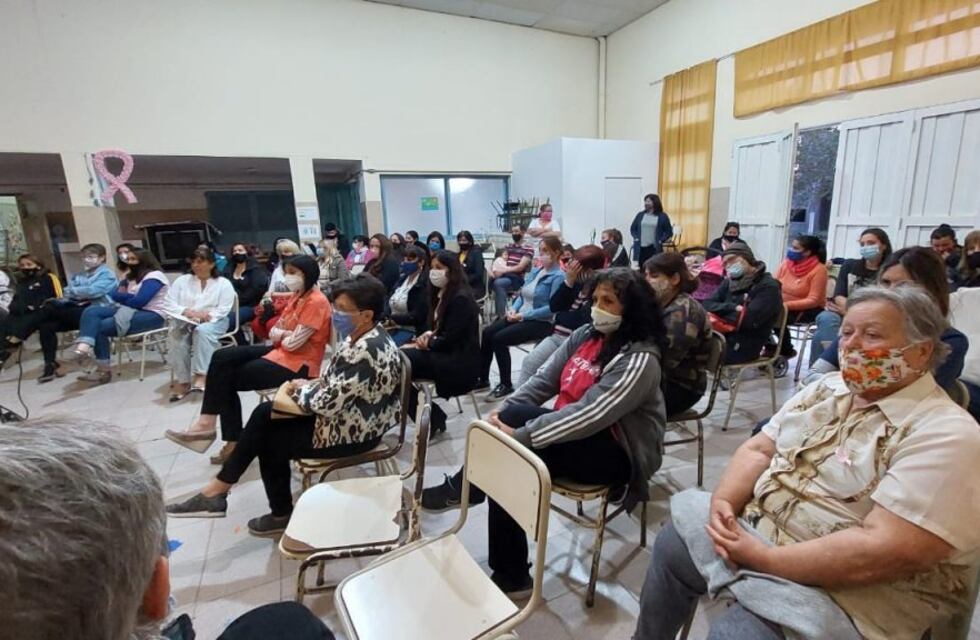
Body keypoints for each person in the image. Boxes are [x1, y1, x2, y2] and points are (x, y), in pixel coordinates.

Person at [633, 285, 980, 640]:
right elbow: (759, 450)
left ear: (921, 352)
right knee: (675, 541)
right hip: (760, 531)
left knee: (739, 634)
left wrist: (766, 561)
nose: (851, 345)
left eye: (871, 335)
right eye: (847, 332)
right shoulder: (827, 389)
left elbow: (887, 549)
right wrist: (725, 501)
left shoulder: (945, 433)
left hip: (845, 588)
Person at [422, 270, 666, 592]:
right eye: (595, 299)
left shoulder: (639, 358)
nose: (598, 308)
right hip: (577, 431)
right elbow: (543, 380)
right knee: (511, 430)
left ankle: (470, 493)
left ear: (632, 308)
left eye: (608, 301)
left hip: (618, 449)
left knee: (508, 455)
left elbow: (589, 415)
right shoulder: (586, 335)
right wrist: (504, 411)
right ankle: (506, 561)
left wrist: (519, 436)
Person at [166, 275, 403, 536]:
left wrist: (297, 390)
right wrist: (308, 386)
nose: (335, 314)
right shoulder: (364, 335)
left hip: (356, 432)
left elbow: (327, 403)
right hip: (350, 418)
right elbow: (335, 384)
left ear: (366, 314)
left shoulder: (366, 349)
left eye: (342, 310)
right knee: (266, 417)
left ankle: (240, 497)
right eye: (335, 307)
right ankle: (222, 491)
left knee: (267, 435)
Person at [165, 255, 331, 464]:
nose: (288, 278)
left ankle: (223, 437)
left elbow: (291, 343)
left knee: (224, 379)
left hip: (299, 364)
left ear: (307, 275)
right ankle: (208, 426)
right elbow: (273, 330)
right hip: (279, 352)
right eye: (286, 272)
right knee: (221, 356)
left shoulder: (316, 301)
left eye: (293, 273)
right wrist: (282, 334)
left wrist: (282, 334)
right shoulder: (298, 296)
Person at [806, 247, 967, 395]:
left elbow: (919, 396)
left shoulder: (950, 340)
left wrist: (840, 387)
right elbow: (814, 375)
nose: (890, 292)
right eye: (885, 283)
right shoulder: (857, 332)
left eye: (904, 285)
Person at [402, 250, 480, 435]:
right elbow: (441, 331)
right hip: (443, 351)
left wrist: (426, 344)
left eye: (439, 268)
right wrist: (426, 337)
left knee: (399, 365)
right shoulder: (442, 293)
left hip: (457, 360)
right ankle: (432, 416)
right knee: (398, 363)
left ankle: (431, 418)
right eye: (433, 267)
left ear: (451, 270)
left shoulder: (460, 298)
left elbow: (450, 340)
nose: (434, 272)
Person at [478, 237, 565, 399]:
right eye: (541, 250)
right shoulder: (536, 271)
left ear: (557, 253)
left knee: (499, 339)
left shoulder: (558, 276)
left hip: (540, 321)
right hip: (519, 315)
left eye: (546, 250)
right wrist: (512, 310)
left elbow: (552, 308)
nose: (542, 254)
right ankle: (483, 379)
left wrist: (522, 316)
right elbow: (521, 294)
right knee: (488, 332)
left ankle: (506, 384)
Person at [71, 249, 169, 384]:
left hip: (153, 315)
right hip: (129, 310)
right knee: (92, 311)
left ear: (144, 260)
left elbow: (140, 302)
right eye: (128, 259)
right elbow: (113, 294)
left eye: (133, 259)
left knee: (100, 328)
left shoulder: (155, 276)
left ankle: (103, 371)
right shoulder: (130, 277)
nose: (129, 262)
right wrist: (129, 296)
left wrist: (125, 296)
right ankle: (84, 346)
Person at [517, 244, 607, 387]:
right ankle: (515, 406)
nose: (570, 269)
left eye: (576, 267)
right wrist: (568, 282)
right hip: (557, 336)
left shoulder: (599, 291)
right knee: (530, 362)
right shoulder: (574, 284)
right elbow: (555, 306)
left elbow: (582, 322)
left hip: (575, 342)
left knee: (548, 374)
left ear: (590, 271)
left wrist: (564, 316)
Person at [34, 244, 120, 383]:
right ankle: (49, 363)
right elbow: (66, 292)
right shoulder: (80, 275)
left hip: (99, 310)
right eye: (84, 257)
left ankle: (83, 350)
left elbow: (94, 291)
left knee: (49, 312)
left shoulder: (107, 274)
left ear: (102, 257)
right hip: (77, 309)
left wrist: (77, 291)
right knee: (46, 325)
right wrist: (79, 292)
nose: (87, 260)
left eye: (91, 257)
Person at [644, 253, 713, 416]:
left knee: (618, 405)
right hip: (662, 377)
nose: (647, 281)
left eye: (654, 276)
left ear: (674, 279)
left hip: (681, 386)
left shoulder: (683, 312)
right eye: (645, 275)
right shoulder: (661, 303)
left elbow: (665, 360)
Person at [810, 228, 891, 364]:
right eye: (862, 244)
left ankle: (837, 365)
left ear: (883, 246)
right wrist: (850, 311)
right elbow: (839, 296)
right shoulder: (850, 266)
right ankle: (821, 370)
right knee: (826, 318)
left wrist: (855, 313)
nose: (866, 247)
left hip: (875, 316)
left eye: (871, 243)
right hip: (846, 311)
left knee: (824, 334)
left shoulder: (890, 270)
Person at [164, 248, 236, 399]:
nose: (196, 265)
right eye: (193, 262)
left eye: (200, 261)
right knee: (175, 337)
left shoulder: (223, 283)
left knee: (202, 331)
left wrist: (205, 316)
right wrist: (187, 312)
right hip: (186, 319)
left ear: (211, 264)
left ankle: (201, 375)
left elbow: (224, 308)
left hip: (215, 321)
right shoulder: (181, 281)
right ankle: (183, 381)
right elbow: (168, 303)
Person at [702, 242, 782, 365]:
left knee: (690, 355)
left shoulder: (768, 286)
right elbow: (707, 303)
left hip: (744, 344)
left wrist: (718, 313)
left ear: (746, 257)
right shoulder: (729, 282)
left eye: (731, 260)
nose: (729, 265)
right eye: (725, 264)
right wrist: (732, 307)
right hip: (721, 336)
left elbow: (747, 320)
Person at [773, 235, 828, 364]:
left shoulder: (819, 269)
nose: (791, 250)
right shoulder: (786, 264)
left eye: (795, 248)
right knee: (756, 313)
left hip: (809, 309)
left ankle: (785, 350)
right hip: (781, 305)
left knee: (773, 316)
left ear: (807, 252)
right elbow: (774, 284)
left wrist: (785, 305)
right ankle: (771, 347)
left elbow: (813, 300)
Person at [0, 254, 63, 355]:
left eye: (29, 264)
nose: (25, 267)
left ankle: (15, 339)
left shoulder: (48, 277)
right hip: (25, 310)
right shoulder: (22, 282)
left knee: (35, 317)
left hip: (46, 310)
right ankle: (4, 349)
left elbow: (56, 297)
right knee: (7, 320)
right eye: (22, 265)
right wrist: (19, 307)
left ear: (38, 266)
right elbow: (17, 300)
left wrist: (34, 306)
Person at [253, 239, 301, 341]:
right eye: (282, 252)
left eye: (287, 251)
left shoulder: (300, 270)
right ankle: (271, 346)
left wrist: (276, 294)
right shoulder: (277, 270)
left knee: (272, 324)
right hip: (277, 305)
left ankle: (280, 347)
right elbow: (270, 290)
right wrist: (267, 297)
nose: (284, 254)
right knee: (257, 324)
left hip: (294, 305)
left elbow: (300, 292)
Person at [223, 243, 269, 346]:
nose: (237, 253)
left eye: (240, 250)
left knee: (230, 320)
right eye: (234, 251)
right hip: (230, 305)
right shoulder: (228, 270)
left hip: (251, 305)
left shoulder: (256, 269)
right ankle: (238, 344)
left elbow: (256, 289)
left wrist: (238, 300)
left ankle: (242, 345)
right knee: (220, 319)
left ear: (247, 252)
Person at [488, 224, 535, 319]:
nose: (514, 234)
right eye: (513, 232)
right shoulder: (508, 247)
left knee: (498, 283)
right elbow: (498, 261)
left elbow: (520, 267)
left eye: (516, 231)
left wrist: (504, 270)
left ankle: (501, 316)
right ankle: (503, 312)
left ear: (523, 232)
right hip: (504, 275)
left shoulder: (528, 249)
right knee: (493, 280)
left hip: (516, 277)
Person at [386, 245, 429, 346]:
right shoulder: (402, 279)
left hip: (413, 330)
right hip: (394, 326)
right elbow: (390, 299)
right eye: (404, 259)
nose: (405, 262)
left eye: (410, 260)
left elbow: (417, 316)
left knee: (391, 348)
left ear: (421, 262)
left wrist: (392, 319)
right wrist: (386, 316)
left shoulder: (423, 284)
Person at [630, 193, 674, 265]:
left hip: (654, 247)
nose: (646, 203)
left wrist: (661, 240)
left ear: (655, 202)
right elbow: (633, 228)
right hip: (641, 247)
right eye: (645, 201)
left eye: (648, 201)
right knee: (642, 267)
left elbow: (669, 232)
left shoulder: (662, 216)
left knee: (654, 266)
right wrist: (636, 237)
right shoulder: (640, 215)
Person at [456, 230, 486, 296]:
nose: (461, 242)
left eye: (464, 240)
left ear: (470, 241)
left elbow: (478, 274)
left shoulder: (476, 253)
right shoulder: (457, 255)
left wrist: (464, 280)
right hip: (459, 286)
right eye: (460, 240)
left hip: (474, 287)